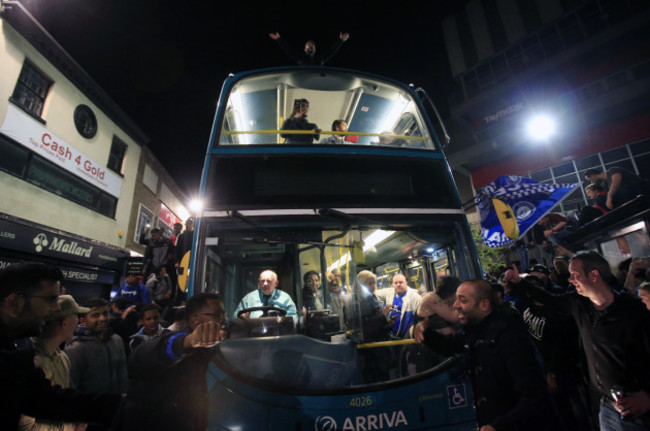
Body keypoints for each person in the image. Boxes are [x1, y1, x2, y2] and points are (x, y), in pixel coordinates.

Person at [503, 251, 650, 430]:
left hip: (637, 408)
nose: (571, 280)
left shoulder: (634, 312)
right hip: (606, 406)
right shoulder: (579, 304)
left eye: (575, 275)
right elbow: (549, 300)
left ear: (594, 275)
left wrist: (647, 396)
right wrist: (520, 282)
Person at [414, 279, 561, 431]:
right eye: (456, 299)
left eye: (462, 300)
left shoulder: (511, 337)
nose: (456, 306)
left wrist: (499, 426)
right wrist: (425, 333)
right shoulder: (475, 331)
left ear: (484, 305)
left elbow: (536, 397)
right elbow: (449, 344)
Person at [0, 263, 121, 429]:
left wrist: (123, 405)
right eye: (51, 299)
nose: (56, 309)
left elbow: (44, 399)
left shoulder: (20, 349)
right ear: (15, 303)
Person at [117, 293, 225, 431]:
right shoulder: (176, 341)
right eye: (216, 315)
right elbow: (139, 360)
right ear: (195, 318)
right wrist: (187, 343)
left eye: (224, 314)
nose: (223, 319)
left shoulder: (210, 350)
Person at [18, 294, 90, 431]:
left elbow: (65, 399)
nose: (79, 321)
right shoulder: (31, 361)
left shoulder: (62, 357)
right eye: (76, 316)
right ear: (65, 323)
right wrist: (69, 427)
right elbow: (26, 424)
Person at [65, 298, 129, 396]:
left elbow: (122, 374)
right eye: (95, 315)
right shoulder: (75, 348)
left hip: (115, 405)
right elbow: (71, 386)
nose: (102, 318)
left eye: (105, 313)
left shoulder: (117, 340)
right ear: (82, 320)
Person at [233, 270, 298, 321]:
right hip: (253, 333)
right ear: (259, 282)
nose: (265, 284)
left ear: (276, 283)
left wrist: (283, 320)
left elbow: (294, 319)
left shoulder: (285, 298)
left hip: (279, 334)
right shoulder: (249, 298)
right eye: (262, 281)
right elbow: (235, 316)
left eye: (269, 281)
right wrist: (241, 316)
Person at [374, 273, 421, 339]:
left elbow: (421, 317)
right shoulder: (390, 292)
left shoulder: (414, 297)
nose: (398, 285)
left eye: (401, 282)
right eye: (395, 283)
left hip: (407, 338)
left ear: (406, 283)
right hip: (391, 335)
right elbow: (374, 293)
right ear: (393, 284)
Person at [268, 31, 349, 66]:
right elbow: (288, 50)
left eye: (312, 46)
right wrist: (279, 39)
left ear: (315, 50)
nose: (310, 47)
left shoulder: (320, 59)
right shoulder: (300, 58)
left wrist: (341, 40)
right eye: (308, 46)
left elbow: (332, 51)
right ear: (305, 49)